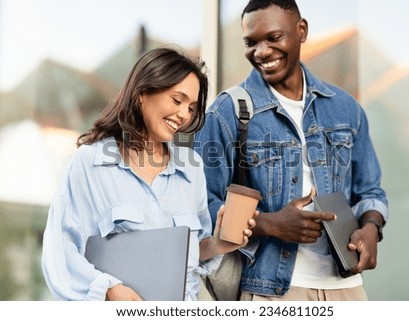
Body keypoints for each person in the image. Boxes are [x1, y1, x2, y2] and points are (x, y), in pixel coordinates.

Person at [194, 0, 388, 301]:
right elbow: (202, 204)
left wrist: (372, 228)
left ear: (301, 31)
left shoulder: (345, 108)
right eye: (251, 42)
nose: (261, 52)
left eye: (273, 38)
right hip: (271, 290)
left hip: (346, 287)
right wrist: (268, 224)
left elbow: (370, 190)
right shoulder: (227, 111)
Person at [41, 47, 256, 301]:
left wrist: (218, 243)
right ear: (143, 92)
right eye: (177, 100)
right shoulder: (90, 163)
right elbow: (60, 253)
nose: (183, 115)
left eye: (191, 108)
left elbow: (188, 254)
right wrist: (108, 289)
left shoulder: (192, 167)